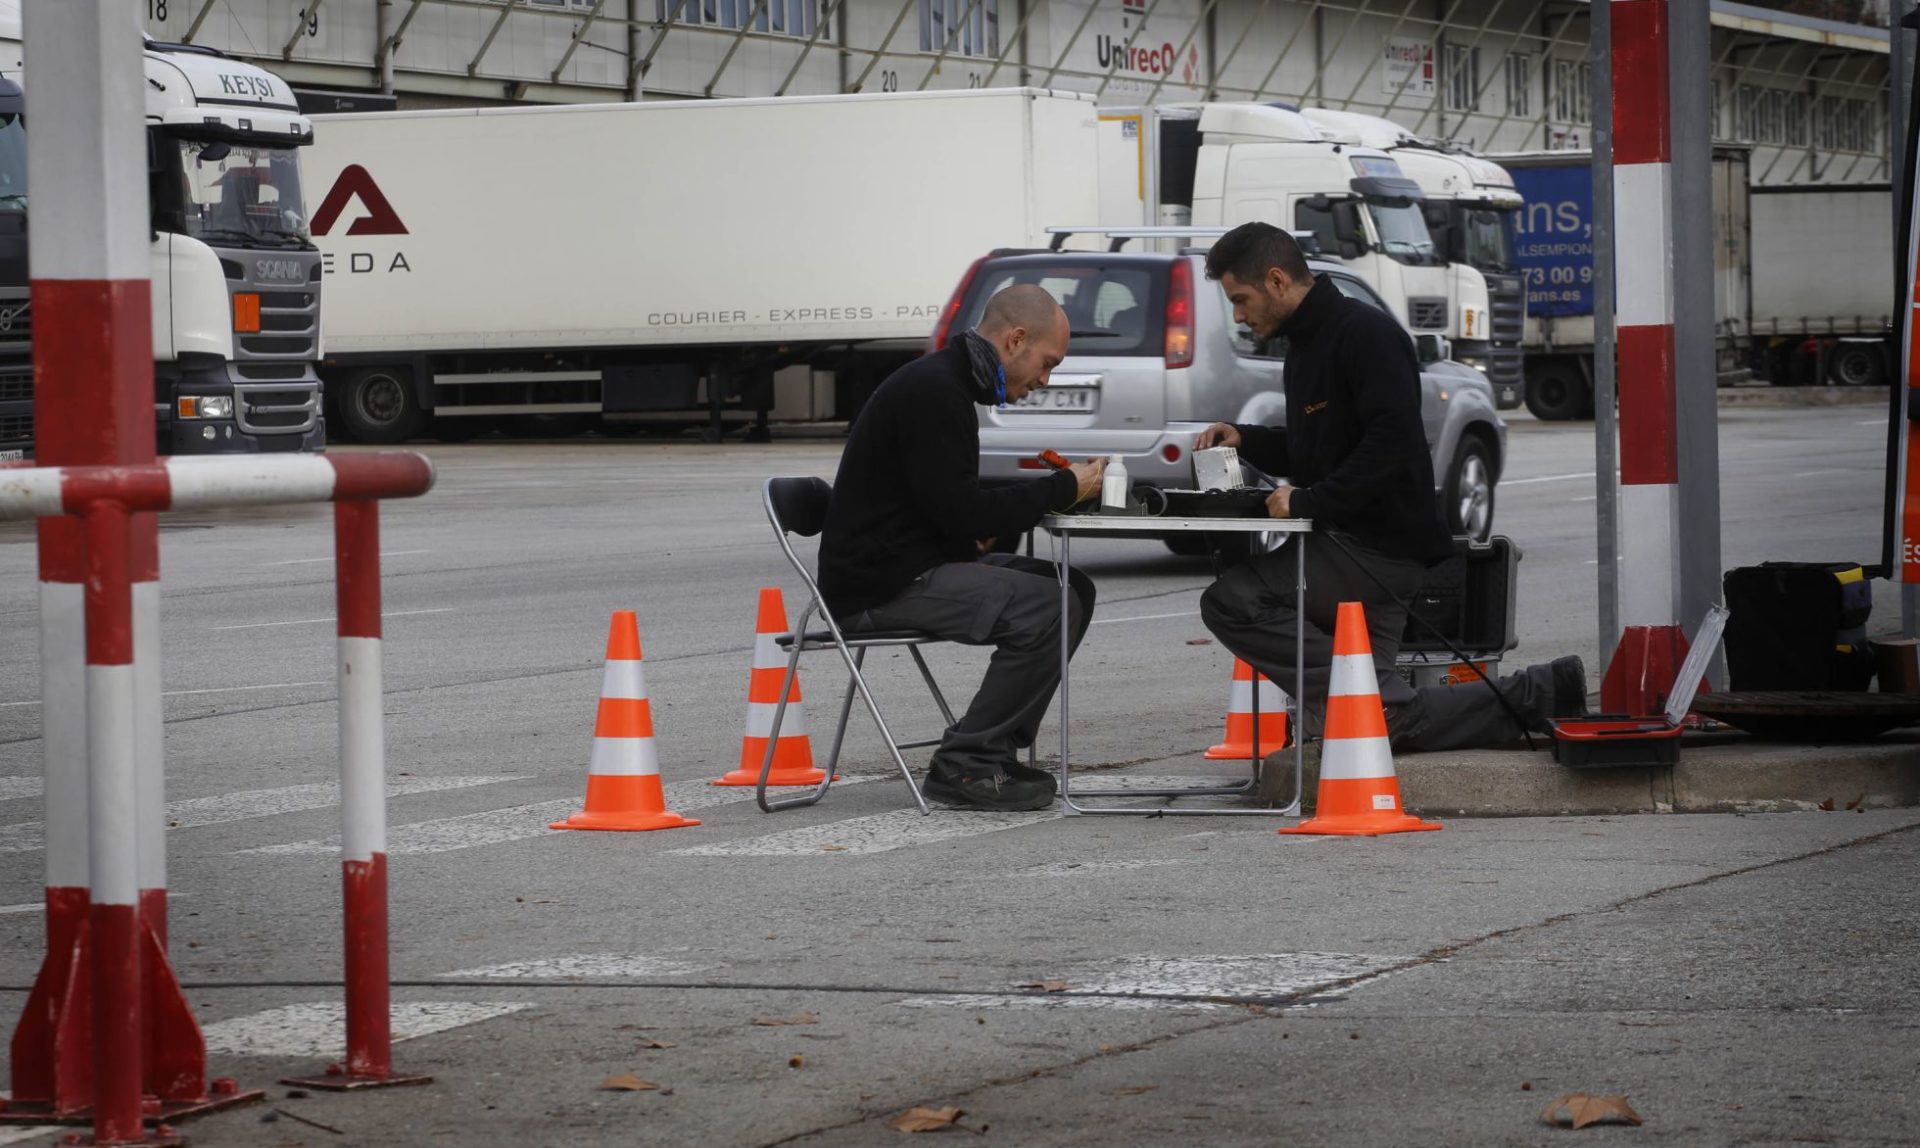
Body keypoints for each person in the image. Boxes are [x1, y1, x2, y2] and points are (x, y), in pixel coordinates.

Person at [1192, 222, 1587, 761]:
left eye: (1240, 298)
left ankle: (1354, 700)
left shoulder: (1364, 334)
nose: (1238, 314)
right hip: (1362, 544)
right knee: (1384, 724)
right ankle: (1543, 693)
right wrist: (1248, 440)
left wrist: (1309, 502)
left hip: (1375, 548)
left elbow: (1392, 445)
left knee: (1232, 602)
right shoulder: (1306, 345)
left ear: (1278, 280)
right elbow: (1320, 448)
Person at [817, 284, 1107, 811]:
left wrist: (988, 524)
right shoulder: (936, 391)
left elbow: (948, 507)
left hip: (911, 563)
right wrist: (1066, 488)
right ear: (1016, 340)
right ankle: (967, 763)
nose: (1045, 381)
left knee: (1072, 588)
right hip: (879, 585)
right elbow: (960, 513)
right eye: (1047, 364)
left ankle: (992, 751)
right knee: (1050, 605)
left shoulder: (945, 383)